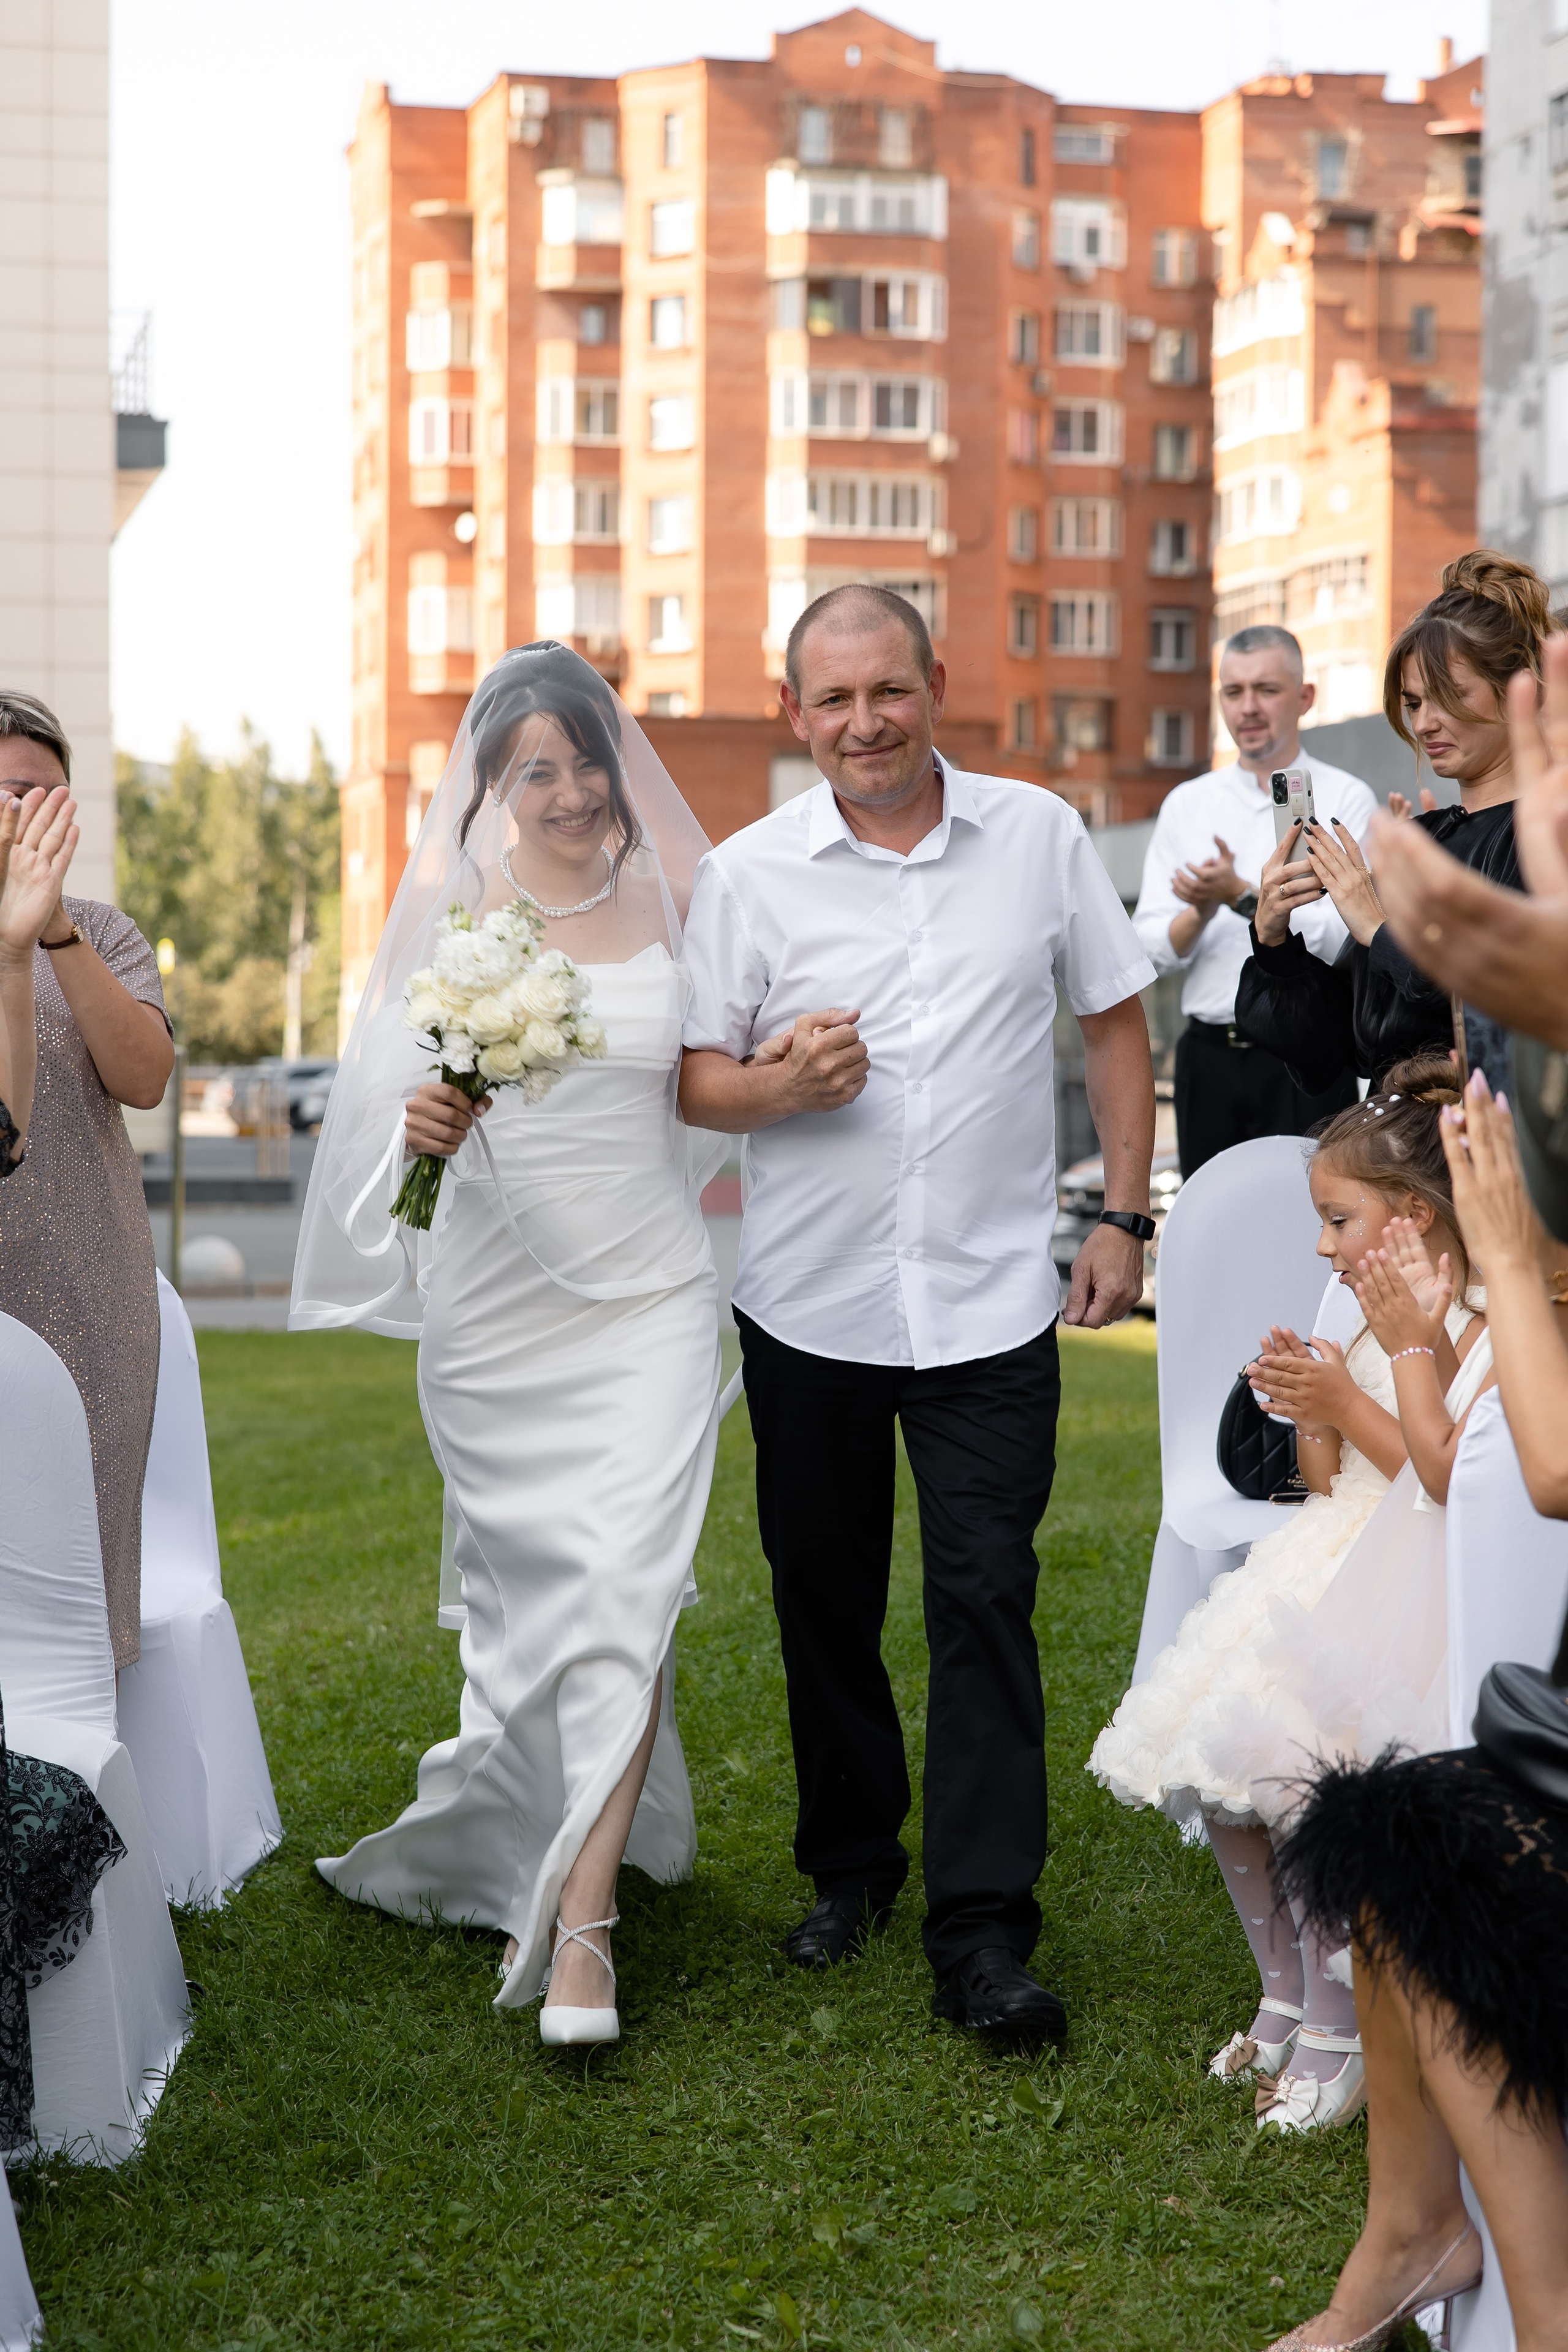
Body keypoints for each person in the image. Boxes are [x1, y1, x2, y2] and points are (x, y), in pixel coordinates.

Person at [678, 584, 1156, 2043]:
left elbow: (1113, 1022)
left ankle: (983, 1927)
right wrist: (782, 1088)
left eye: (885, 691)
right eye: (831, 700)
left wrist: (1123, 1220)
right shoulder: (748, 873)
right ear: (792, 713)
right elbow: (698, 1079)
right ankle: (848, 1865)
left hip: (988, 1296)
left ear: (932, 683)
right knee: (822, 1598)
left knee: (982, 1598)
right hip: (808, 1300)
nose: (862, 723)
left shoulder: (1037, 837)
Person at [292, 643, 724, 2047]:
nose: (567, 788)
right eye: (532, 766)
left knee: (630, 1578)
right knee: (539, 1599)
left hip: (651, 1287)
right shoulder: (464, 915)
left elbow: (714, 1087)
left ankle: (583, 1922)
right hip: (497, 1313)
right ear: (493, 786)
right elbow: (394, 1120)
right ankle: (501, 1832)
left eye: (583, 758)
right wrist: (428, 1125)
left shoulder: (680, 897)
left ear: (615, 762)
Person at [1089, 1063, 1487, 2131]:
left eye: (1336, 1219)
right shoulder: (1361, 1303)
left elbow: (1434, 1472)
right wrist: (1308, 1405)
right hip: (1325, 1547)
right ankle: (1285, 1986)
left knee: (1288, 1775)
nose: (1322, 1246)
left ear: (1410, 1216)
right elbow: (1325, 1481)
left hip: (1407, 1570)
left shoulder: (1463, 1315)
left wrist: (1347, 1398)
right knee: (1212, 1764)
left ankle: (1343, 2015)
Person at [1268, 1081, 1568, 2352]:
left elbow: (1530, 1479)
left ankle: (1534, 2311)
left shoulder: (1533, 1308)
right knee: (1388, 1842)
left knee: (1416, 1856)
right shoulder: (1526, 1317)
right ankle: (1411, 2235)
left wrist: (1435, 1321)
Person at [0, 693, 173, 1670]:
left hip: (84, 1284)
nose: (32, 814)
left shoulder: (104, 934)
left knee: (74, 1546)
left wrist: (54, 929)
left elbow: (144, 1078)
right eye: (12, 792)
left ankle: (71, 1779)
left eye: (50, 794)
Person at [1236, 551, 1544, 1098]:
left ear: (1517, 689)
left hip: (1489, 1156)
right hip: (1391, 1152)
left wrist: (1379, 929)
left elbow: (1505, 1002)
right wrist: (1275, 942)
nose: (1424, 723)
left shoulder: (1547, 838)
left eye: (1448, 697)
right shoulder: (1424, 839)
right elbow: (1339, 1046)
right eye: (1413, 702)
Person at [1131, 624, 1374, 1175]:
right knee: (1212, 1233)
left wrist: (1240, 894)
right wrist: (1201, 909)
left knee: (1313, 1231)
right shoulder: (1188, 805)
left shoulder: (1345, 797)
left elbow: (1343, 938)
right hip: (1209, 1058)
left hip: (1306, 1059)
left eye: (1266, 690)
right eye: (1234, 692)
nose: (1248, 708)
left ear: (1305, 697)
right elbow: (1148, 950)